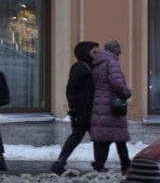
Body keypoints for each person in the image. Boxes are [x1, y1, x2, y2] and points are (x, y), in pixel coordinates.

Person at [51, 41, 98, 175]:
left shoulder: (92, 66)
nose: (97, 54)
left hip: (90, 109)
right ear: (85, 53)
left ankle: (60, 162)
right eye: (94, 51)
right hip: (83, 110)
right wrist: (74, 108)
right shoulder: (80, 67)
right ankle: (98, 165)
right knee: (83, 137)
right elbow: (70, 89)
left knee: (83, 137)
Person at [90, 39, 133, 174]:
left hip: (99, 104)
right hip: (111, 106)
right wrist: (127, 92)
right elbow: (117, 83)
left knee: (102, 138)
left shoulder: (97, 63)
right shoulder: (112, 63)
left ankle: (99, 165)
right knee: (120, 138)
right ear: (115, 51)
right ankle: (126, 166)